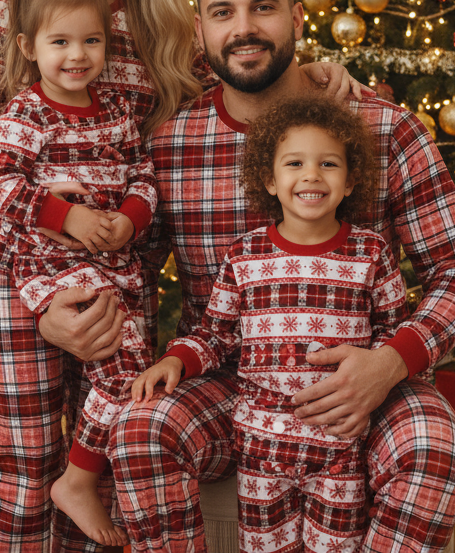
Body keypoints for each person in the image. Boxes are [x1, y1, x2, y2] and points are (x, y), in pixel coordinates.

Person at [0, 0, 358, 552]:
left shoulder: (155, 15)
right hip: (19, 267)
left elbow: (238, 62)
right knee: (26, 461)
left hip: (116, 270)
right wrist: (51, 226)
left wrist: (313, 71)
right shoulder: (11, 0)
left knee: (99, 461)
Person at [111, 0, 455, 553]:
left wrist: (390, 363)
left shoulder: (383, 127)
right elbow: (129, 271)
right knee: (139, 430)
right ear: (201, 31)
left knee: (432, 447)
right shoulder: (171, 143)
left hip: (364, 379)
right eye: (223, 12)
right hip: (227, 383)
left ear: (296, 16)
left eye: (263, 7)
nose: (244, 28)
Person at [133, 94, 408, 552]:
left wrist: (376, 374)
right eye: (295, 163)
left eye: (328, 164)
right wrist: (176, 361)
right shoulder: (245, 255)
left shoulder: (371, 253)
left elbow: (393, 334)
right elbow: (215, 334)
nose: (311, 175)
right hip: (262, 449)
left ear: (350, 181)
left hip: (339, 448)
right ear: (270, 180)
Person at [0, 0, 155, 546]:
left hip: (114, 266)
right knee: (124, 368)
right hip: (53, 268)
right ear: (29, 48)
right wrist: (68, 216)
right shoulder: (25, 112)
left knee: (130, 377)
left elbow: (144, 176)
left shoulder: (118, 114)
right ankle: (76, 481)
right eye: (60, 42)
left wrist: (129, 220)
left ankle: (80, 478)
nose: (77, 55)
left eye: (91, 41)